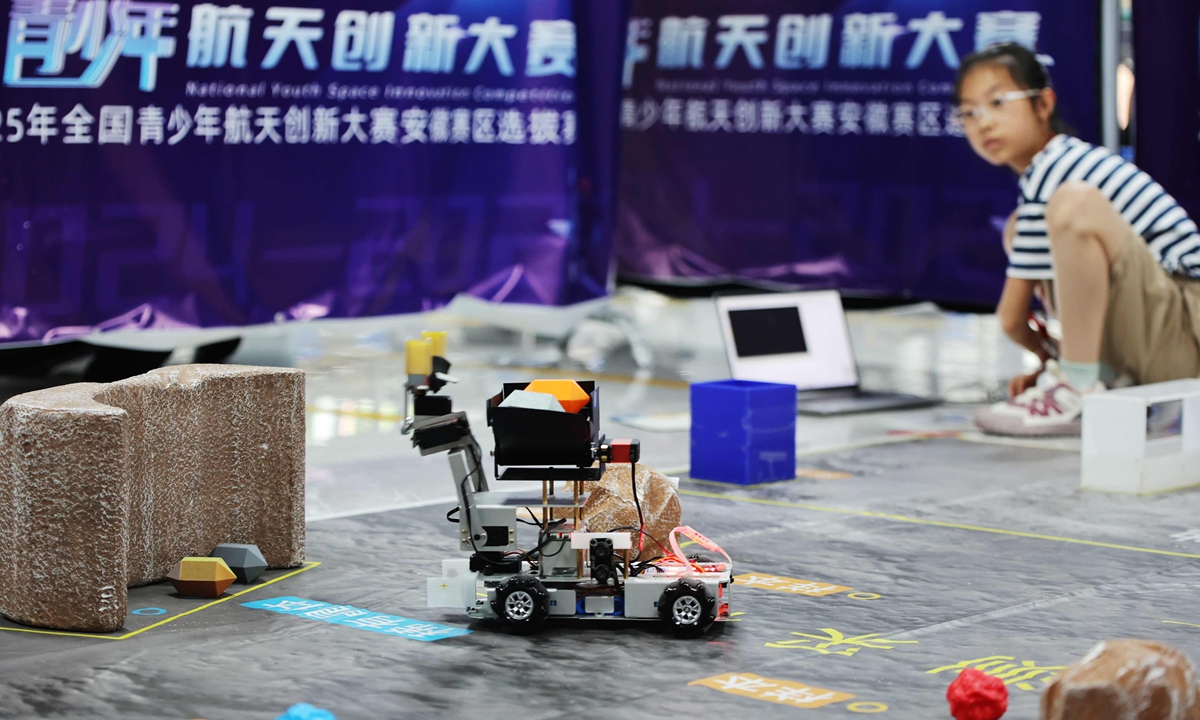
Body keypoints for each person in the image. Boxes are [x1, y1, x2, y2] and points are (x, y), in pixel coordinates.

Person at [957, 43, 1200, 436]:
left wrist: (1045, 352)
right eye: (969, 112)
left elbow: (1011, 318)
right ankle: (1088, 374)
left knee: (1074, 204)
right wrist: (1052, 358)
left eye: (998, 102)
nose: (983, 122)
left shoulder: (1057, 167)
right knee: (1019, 228)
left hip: (1189, 329)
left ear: (1043, 104)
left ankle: (1078, 387)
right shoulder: (1048, 171)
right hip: (1162, 333)